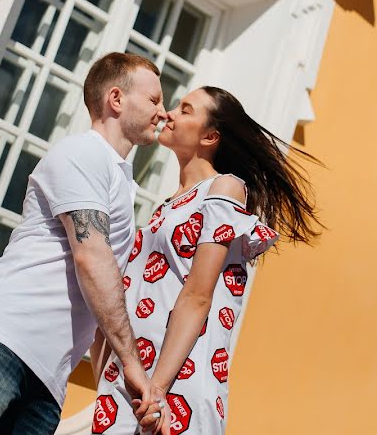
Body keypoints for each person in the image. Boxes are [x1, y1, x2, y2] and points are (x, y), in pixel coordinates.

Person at [0, 52, 168, 435]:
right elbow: (92, 258)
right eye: (154, 100)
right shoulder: (84, 153)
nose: (163, 111)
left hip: (48, 379)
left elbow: (102, 299)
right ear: (116, 99)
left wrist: (123, 381)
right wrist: (134, 364)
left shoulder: (120, 180)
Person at [90, 86, 322, 435]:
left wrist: (158, 389)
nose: (169, 113)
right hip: (131, 384)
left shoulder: (225, 190)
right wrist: (109, 375)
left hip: (175, 384)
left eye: (185, 110)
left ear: (211, 135)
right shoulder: (165, 208)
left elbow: (198, 295)